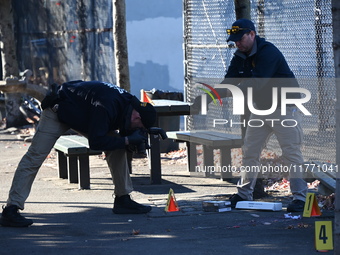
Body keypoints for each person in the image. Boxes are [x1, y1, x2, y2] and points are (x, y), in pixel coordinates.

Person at [0, 80, 157, 227]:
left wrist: (147, 132)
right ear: (136, 115)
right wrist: (128, 140)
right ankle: (11, 209)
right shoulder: (107, 106)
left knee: (118, 147)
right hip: (58, 110)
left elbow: (121, 130)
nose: (137, 129)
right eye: (139, 126)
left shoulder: (132, 104)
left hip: (84, 114)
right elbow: (96, 143)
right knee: (35, 156)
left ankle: (123, 199)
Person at [194, 19, 307, 212]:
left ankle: (300, 199)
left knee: (291, 153)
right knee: (250, 152)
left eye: (240, 38)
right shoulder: (240, 56)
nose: (237, 43)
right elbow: (229, 82)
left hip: (284, 107)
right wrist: (208, 97)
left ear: (252, 34)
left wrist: (230, 93)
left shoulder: (268, 52)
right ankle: (243, 194)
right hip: (261, 108)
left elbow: (255, 84)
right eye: (234, 40)